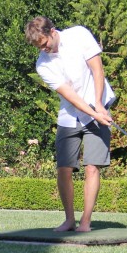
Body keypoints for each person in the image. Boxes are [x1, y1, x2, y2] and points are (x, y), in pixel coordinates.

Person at [24, 16, 115, 232]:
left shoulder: (79, 34)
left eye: (44, 43)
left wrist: (99, 106)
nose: (43, 49)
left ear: (52, 32)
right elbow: (70, 95)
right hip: (69, 115)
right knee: (63, 168)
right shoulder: (42, 64)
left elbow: (97, 70)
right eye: (39, 47)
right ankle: (69, 220)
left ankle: (85, 222)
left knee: (92, 166)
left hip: (98, 104)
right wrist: (92, 111)